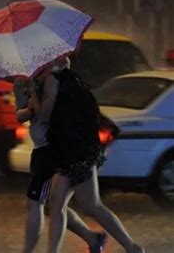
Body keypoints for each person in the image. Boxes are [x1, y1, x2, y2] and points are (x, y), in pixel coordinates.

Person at [33, 58, 145, 253]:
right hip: (71, 151)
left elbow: (44, 116)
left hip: (76, 152)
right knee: (56, 204)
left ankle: (133, 247)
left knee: (91, 205)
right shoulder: (72, 78)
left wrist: (33, 94)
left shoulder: (53, 79)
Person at [15, 67, 106, 253]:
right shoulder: (20, 82)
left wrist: (36, 96)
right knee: (53, 205)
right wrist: (29, 109)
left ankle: (31, 250)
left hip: (55, 148)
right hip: (42, 149)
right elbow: (20, 114)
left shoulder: (54, 75)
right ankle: (92, 237)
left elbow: (50, 113)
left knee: (38, 203)